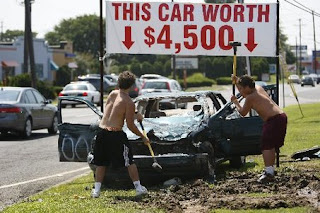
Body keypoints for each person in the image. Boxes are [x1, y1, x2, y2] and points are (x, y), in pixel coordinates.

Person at [91, 71, 150, 198]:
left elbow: (115, 111)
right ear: (132, 86)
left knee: (101, 162)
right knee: (129, 161)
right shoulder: (129, 102)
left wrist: (135, 113)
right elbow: (130, 125)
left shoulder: (112, 94)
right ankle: (139, 188)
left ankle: (96, 191)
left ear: (118, 82)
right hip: (115, 135)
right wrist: (143, 136)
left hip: (102, 132)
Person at [230, 75, 287, 183]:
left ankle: (269, 173)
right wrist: (237, 80)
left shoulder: (250, 98)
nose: (240, 91)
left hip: (274, 119)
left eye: (241, 88)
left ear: (247, 87)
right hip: (280, 116)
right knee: (270, 146)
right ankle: (270, 170)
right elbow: (244, 85)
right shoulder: (258, 88)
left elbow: (243, 112)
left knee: (266, 146)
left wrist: (235, 102)